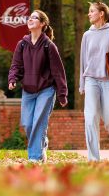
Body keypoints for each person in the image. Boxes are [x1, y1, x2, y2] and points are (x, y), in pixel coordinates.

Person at [8, 10, 68, 163]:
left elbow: (58, 71)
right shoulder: (22, 44)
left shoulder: (49, 45)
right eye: (30, 18)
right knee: (28, 124)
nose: (30, 19)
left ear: (42, 24)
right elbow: (16, 65)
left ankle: (34, 158)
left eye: (34, 18)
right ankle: (43, 144)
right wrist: (13, 78)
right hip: (28, 90)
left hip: (46, 90)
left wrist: (62, 94)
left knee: (39, 123)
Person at [79, 1, 109, 163]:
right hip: (91, 80)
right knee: (90, 117)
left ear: (101, 13)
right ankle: (93, 159)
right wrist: (82, 83)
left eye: (92, 11)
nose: (89, 14)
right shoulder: (87, 35)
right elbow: (83, 61)